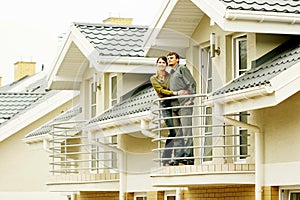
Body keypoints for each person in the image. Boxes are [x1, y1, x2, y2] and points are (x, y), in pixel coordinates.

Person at [150, 56, 188, 166]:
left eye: (163, 62)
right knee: (173, 130)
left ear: (166, 64)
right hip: (164, 105)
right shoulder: (153, 78)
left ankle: (176, 158)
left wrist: (167, 92)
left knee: (176, 131)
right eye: (159, 62)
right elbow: (160, 90)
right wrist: (174, 93)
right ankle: (166, 159)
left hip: (173, 103)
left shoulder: (170, 75)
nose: (161, 64)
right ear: (157, 64)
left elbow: (168, 88)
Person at [167, 52, 196, 166]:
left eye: (172, 58)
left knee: (186, 131)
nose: (169, 60)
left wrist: (191, 100)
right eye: (168, 58)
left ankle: (189, 158)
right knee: (177, 133)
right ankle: (178, 158)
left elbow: (192, 83)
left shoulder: (182, 69)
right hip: (175, 106)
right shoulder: (171, 73)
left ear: (177, 59)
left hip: (184, 105)